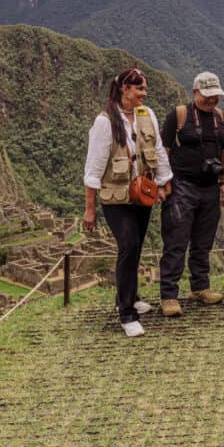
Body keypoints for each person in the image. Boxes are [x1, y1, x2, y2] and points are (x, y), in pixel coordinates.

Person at [83, 68, 173, 337]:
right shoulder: (105, 122)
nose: (144, 94)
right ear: (124, 89)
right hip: (116, 197)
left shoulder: (147, 115)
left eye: (144, 89)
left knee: (136, 247)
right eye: (139, 89)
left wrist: (164, 180)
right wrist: (90, 209)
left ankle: (131, 297)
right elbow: (94, 166)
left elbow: (156, 149)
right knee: (128, 245)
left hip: (142, 192)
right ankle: (126, 313)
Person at [157, 72, 224, 317]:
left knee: (203, 241)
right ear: (195, 92)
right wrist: (163, 182)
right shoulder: (178, 115)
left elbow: (221, 151)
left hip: (210, 186)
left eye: (215, 97)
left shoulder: (220, 117)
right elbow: (163, 151)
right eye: (207, 97)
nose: (212, 101)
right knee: (176, 241)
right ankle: (168, 295)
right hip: (181, 186)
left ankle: (200, 287)